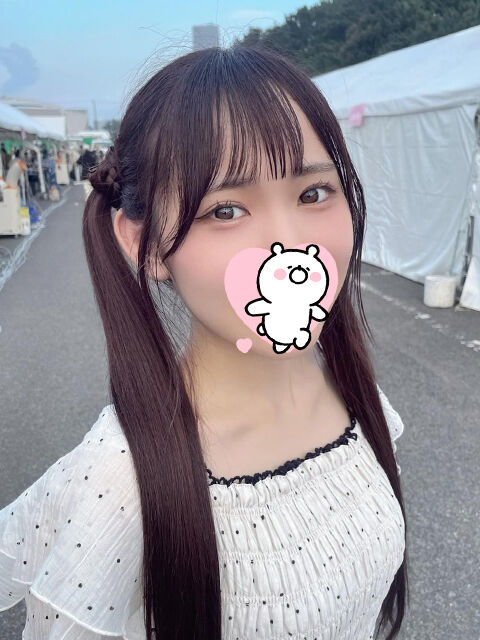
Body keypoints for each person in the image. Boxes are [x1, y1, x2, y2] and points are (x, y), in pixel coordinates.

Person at [0, 46, 408, 640]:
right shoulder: (122, 482)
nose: (290, 244)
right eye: (226, 210)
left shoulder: (352, 389)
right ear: (144, 245)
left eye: (313, 194)